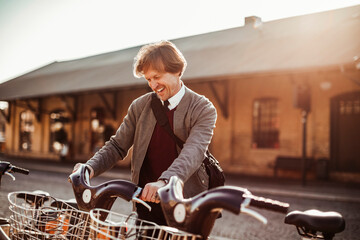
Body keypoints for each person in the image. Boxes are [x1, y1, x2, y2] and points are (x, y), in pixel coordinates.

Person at [72, 40, 217, 225]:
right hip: (146, 201)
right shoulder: (140, 106)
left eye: (157, 76)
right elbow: (117, 145)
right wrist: (90, 168)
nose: (153, 85)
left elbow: (194, 152)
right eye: (149, 79)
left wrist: (165, 182)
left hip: (184, 203)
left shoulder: (203, 108)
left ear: (178, 71)